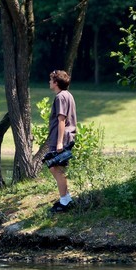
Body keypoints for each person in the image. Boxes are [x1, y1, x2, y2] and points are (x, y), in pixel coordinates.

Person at [46, 70, 77, 213]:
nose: (49, 82)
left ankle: (65, 201)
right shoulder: (67, 95)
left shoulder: (60, 97)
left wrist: (59, 142)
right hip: (64, 137)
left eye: (51, 80)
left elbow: (61, 119)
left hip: (61, 137)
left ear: (56, 82)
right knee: (56, 168)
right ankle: (66, 198)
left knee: (56, 168)